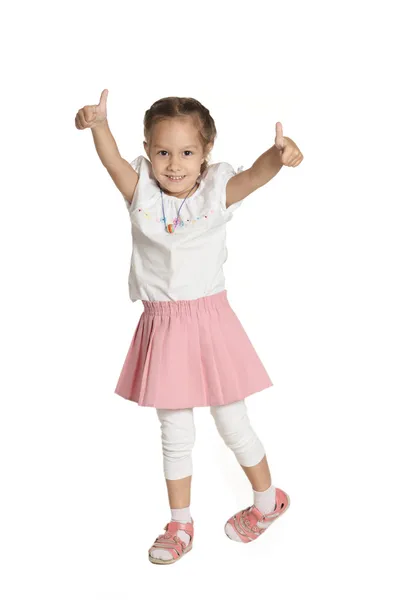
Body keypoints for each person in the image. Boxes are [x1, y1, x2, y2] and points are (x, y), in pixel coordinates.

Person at [75, 89, 304, 565]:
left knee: (232, 422)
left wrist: (278, 156)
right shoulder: (140, 191)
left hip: (210, 323)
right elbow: (113, 162)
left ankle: (268, 502)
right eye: (162, 152)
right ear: (148, 150)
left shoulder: (215, 191)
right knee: (174, 430)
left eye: (186, 153)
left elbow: (256, 177)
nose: (174, 164)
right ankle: (180, 523)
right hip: (163, 326)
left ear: (205, 155)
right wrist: (99, 126)